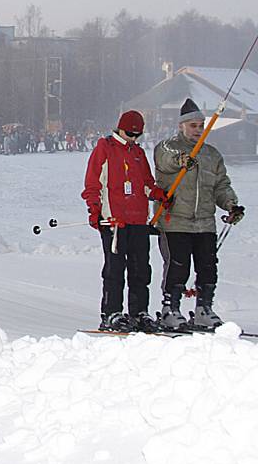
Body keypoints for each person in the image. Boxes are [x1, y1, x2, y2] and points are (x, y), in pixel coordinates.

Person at [154, 98, 244, 330]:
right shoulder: (169, 147)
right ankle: (170, 309)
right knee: (178, 266)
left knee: (208, 266)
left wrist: (231, 205)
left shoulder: (211, 155)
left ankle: (204, 308)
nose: (198, 130)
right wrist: (181, 160)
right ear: (182, 125)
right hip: (175, 221)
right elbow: (165, 160)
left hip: (204, 222)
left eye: (201, 125)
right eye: (193, 125)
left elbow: (221, 185)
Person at [82, 110, 168, 332]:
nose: (132, 138)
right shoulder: (105, 148)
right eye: (129, 133)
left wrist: (158, 194)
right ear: (120, 128)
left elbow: (146, 183)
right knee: (115, 268)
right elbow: (93, 183)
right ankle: (112, 313)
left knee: (141, 269)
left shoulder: (138, 152)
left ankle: (139, 312)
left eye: (137, 135)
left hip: (138, 220)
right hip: (114, 220)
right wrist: (94, 209)